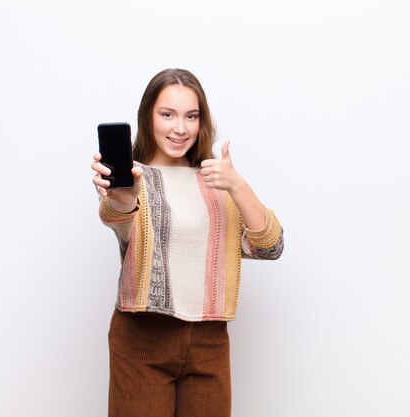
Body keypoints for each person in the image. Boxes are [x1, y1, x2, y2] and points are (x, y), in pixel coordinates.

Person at [91, 68, 284, 417]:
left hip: (209, 341)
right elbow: (118, 215)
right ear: (148, 117)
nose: (180, 129)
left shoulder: (217, 181)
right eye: (168, 115)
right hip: (142, 339)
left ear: (201, 121)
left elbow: (270, 246)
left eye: (191, 116)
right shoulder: (132, 179)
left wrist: (238, 186)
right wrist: (123, 196)